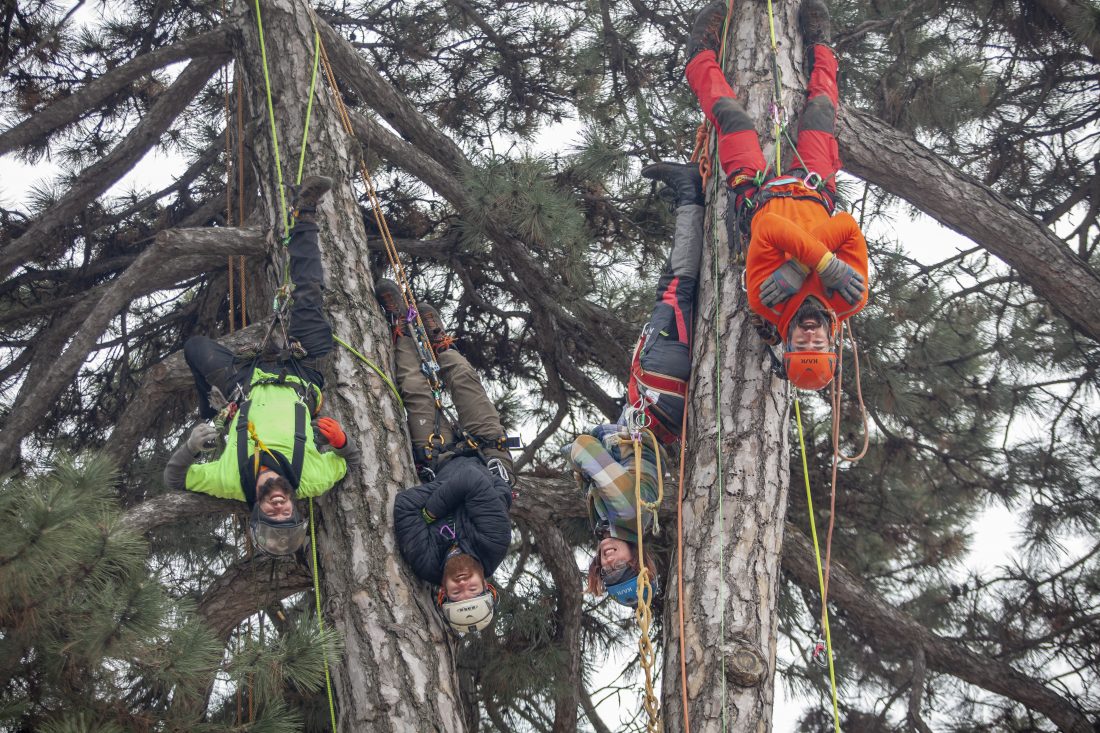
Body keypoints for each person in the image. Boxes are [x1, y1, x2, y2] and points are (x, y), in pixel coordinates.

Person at [164, 176, 360, 556]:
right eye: (287, 513)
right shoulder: (310, 479)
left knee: (196, 348)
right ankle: (304, 214)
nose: (280, 507)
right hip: (302, 375)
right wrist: (342, 442)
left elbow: (175, 478)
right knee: (307, 298)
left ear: (257, 511)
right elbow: (348, 462)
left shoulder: (229, 481)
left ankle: (211, 408)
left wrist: (193, 444)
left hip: (244, 386)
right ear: (294, 507)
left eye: (273, 515)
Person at [686, 0, 869, 391]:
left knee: (731, 116)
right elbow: (846, 226)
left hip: (756, 193)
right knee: (820, 108)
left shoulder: (766, 302)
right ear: (831, 342)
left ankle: (699, 54)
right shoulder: (849, 297)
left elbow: (767, 227)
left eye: (802, 343)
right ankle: (822, 47)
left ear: (788, 343)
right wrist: (819, 266)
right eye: (817, 344)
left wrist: (806, 266)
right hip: (814, 186)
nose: (809, 334)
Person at [566, 160, 704, 607]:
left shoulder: (620, 519)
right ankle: (691, 196)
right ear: (641, 561)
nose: (609, 563)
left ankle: (692, 203)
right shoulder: (627, 515)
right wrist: (602, 441)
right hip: (657, 387)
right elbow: (583, 448)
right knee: (677, 286)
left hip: (656, 398)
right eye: (621, 567)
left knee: (682, 288)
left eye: (607, 574)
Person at [382, 285, 513, 633]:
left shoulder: (425, 561)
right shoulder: (494, 543)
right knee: (466, 383)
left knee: (413, 387)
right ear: (487, 585)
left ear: (443, 595)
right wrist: (433, 510)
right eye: (474, 591)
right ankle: (439, 342)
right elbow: (471, 482)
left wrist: (432, 505)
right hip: (486, 454)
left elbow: (406, 505)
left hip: (434, 457)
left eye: (458, 594)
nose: (463, 584)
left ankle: (403, 329)